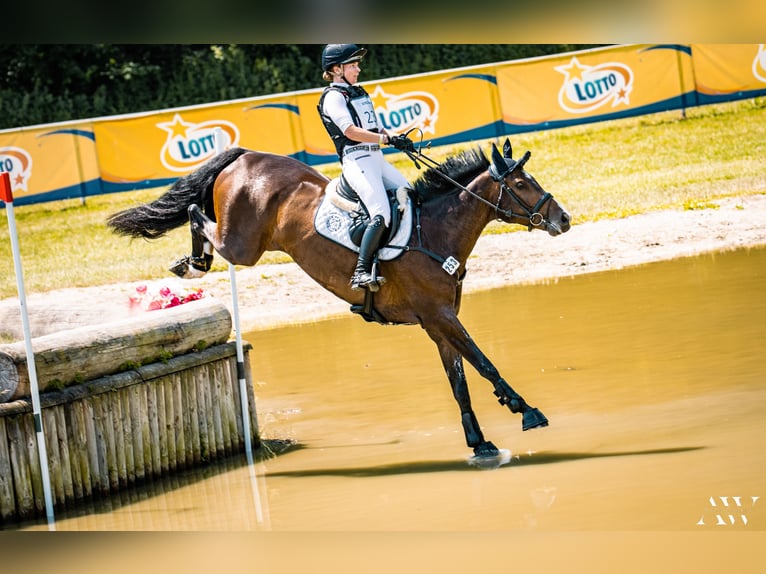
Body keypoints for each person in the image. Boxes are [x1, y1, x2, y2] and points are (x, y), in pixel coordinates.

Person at [317, 44, 415, 291]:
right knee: (380, 213)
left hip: (376, 159)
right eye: (353, 65)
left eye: (357, 64)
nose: (358, 69)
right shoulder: (333, 97)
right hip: (356, 160)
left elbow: (376, 129)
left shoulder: (358, 93)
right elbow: (349, 131)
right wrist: (386, 140)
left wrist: (396, 138)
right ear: (337, 69)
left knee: (410, 194)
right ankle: (361, 271)